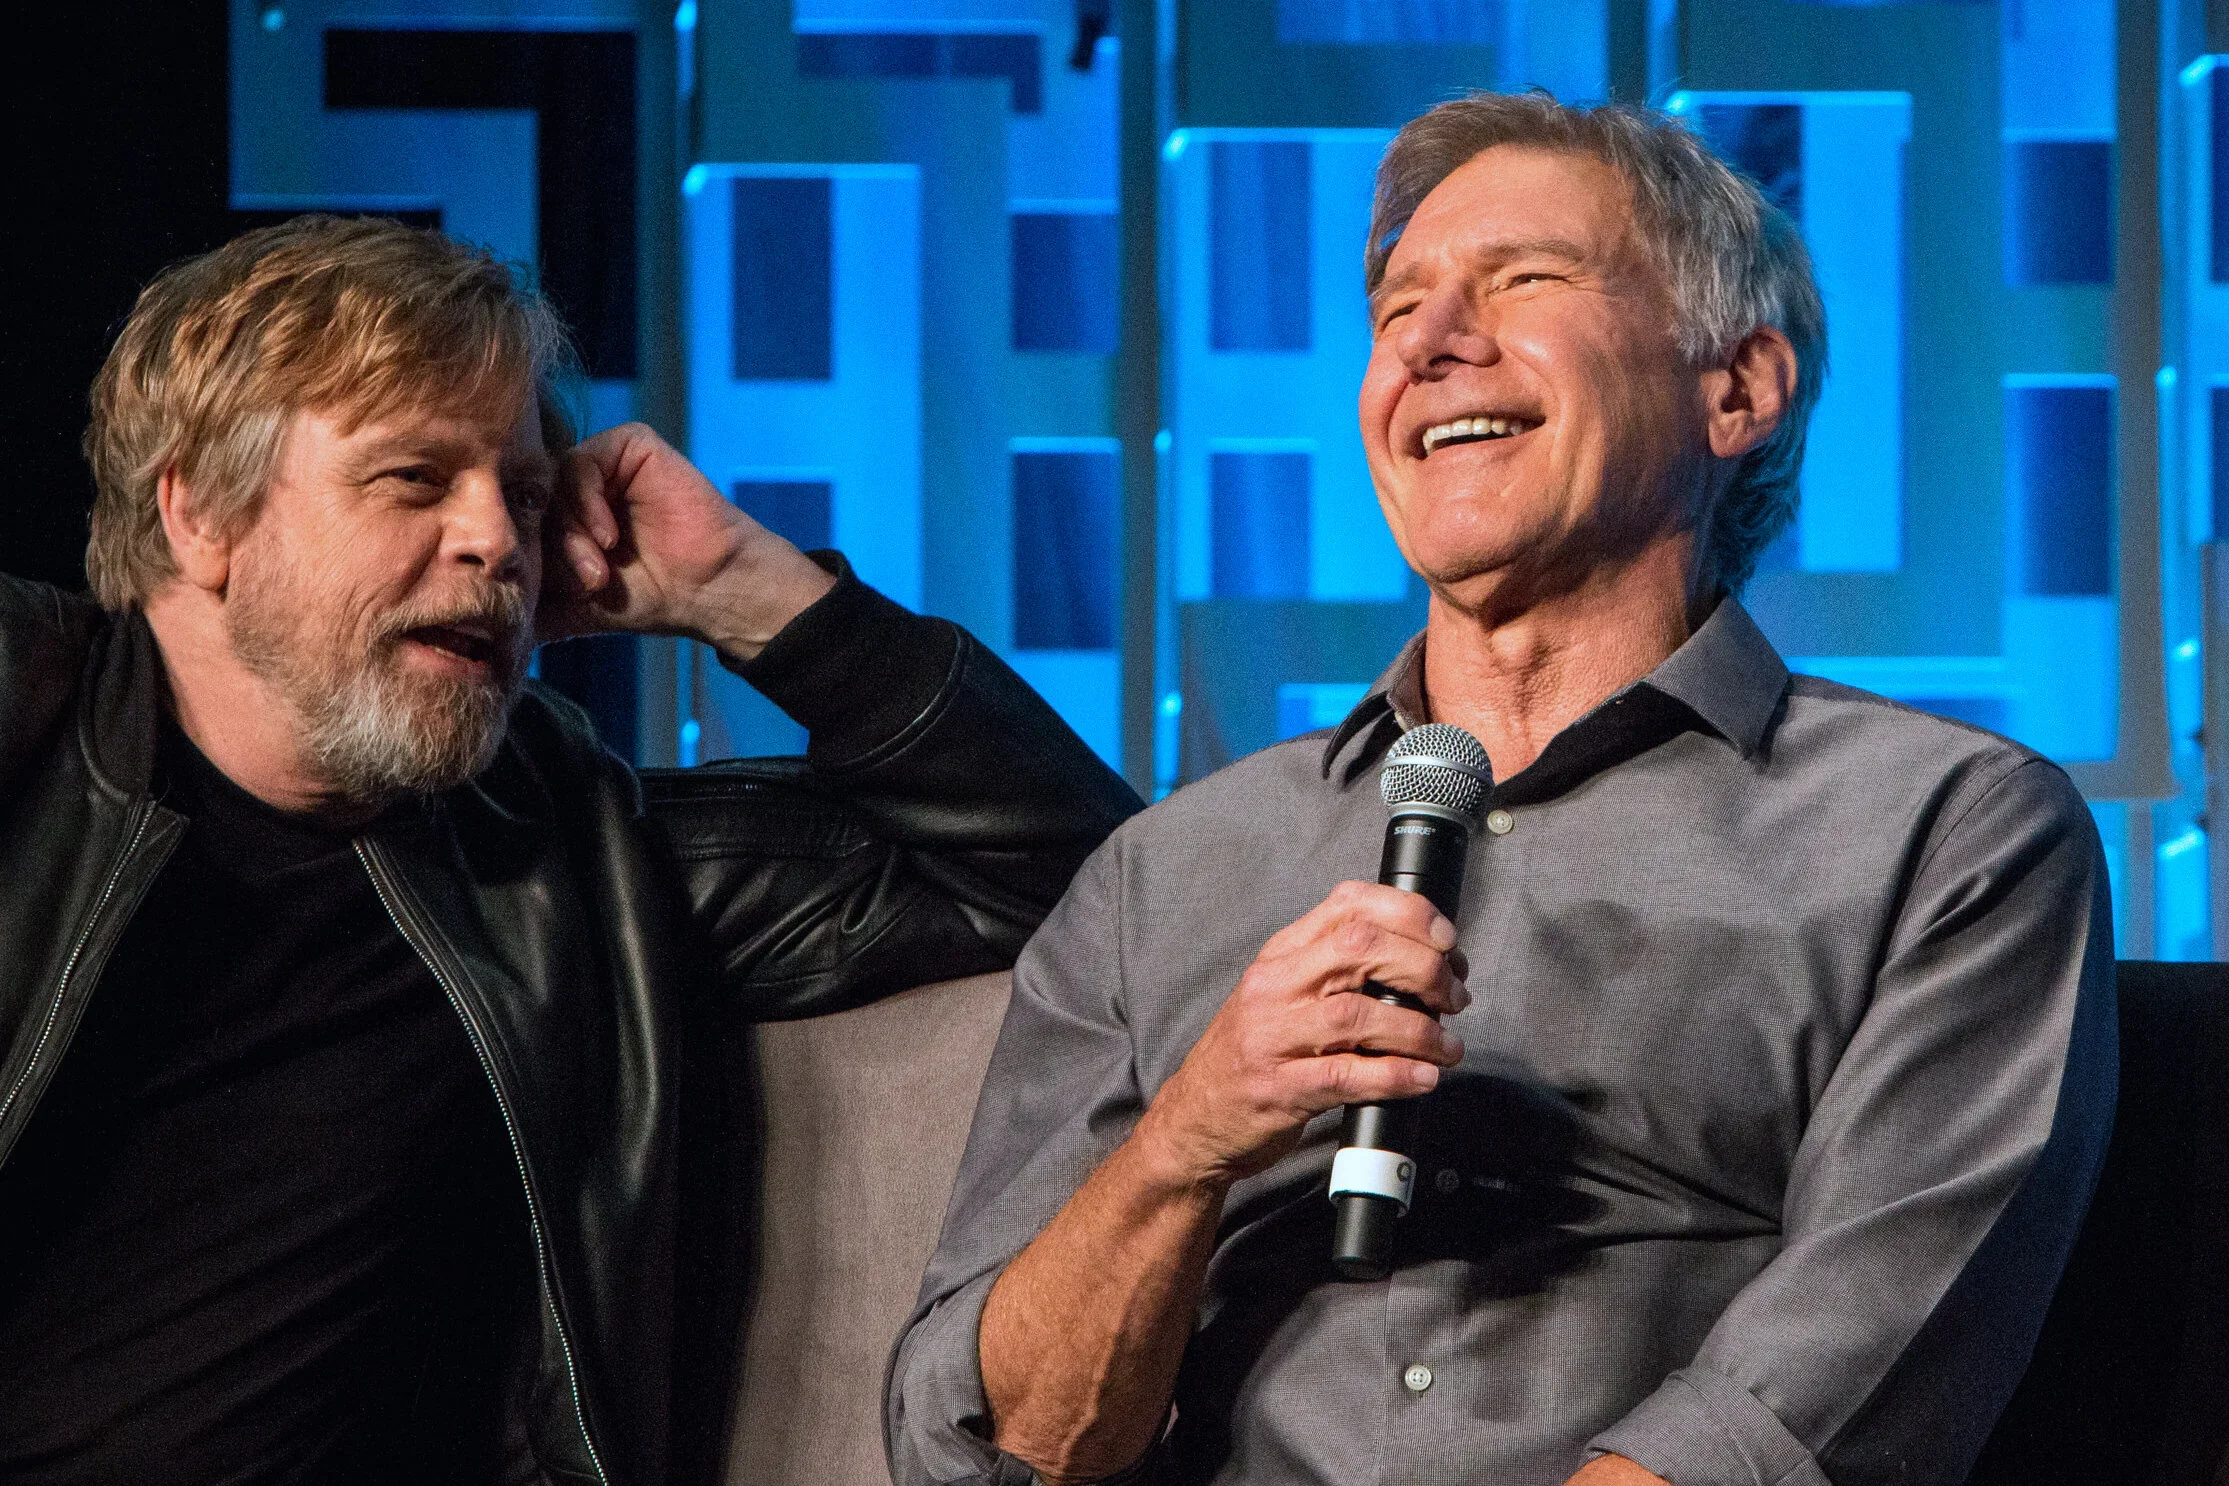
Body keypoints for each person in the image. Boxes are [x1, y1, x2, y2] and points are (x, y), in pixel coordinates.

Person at [889, 92, 2115, 1486]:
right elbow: (990, 1448)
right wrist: (1189, 1138)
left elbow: (1824, 1394)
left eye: (1525, 278)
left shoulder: (1946, 831)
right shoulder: (1162, 874)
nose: (1429, 343)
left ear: (1736, 389)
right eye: (1397, 308)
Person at [0, 215, 1139, 1486]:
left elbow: (1094, 884)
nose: (499, 542)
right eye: (415, 478)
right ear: (201, 513)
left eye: (528, 497)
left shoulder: (565, 861)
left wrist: (746, 591)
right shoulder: (23, 712)